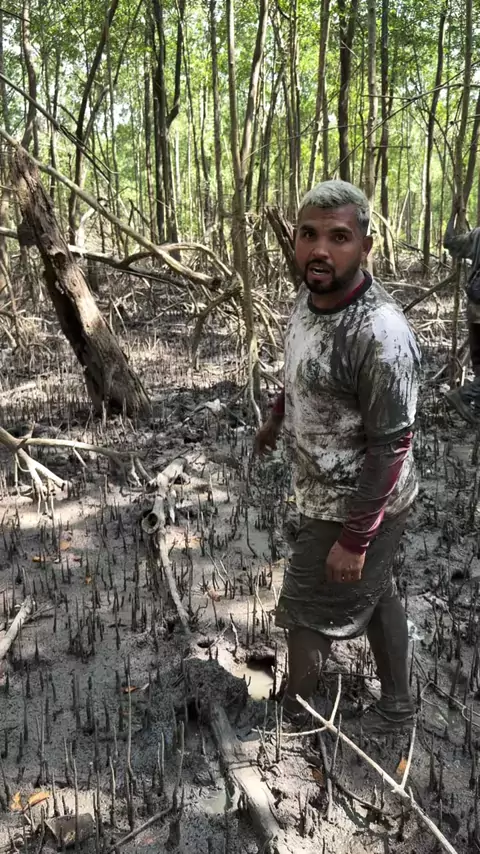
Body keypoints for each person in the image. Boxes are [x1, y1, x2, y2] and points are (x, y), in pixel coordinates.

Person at [255, 180, 421, 735]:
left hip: (359, 501)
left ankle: (294, 719)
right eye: (308, 235)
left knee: (306, 610)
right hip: (320, 487)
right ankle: (397, 705)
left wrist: (354, 539)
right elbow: (302, 368)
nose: (320, 250)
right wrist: (277, 417)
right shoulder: (308, 298)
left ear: (365, 247)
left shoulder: (381, 334)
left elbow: (391, 446)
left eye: (339, 237)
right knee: (375, 593)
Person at [443, 202, 480, 423]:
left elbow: (449, 242)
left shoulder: (477, 235)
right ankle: (462, 395)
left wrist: (453, 215)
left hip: (474, 311)